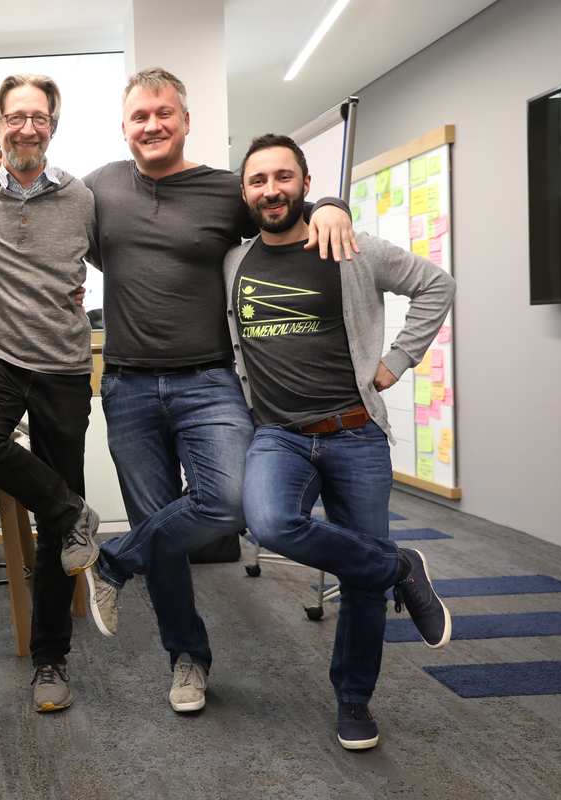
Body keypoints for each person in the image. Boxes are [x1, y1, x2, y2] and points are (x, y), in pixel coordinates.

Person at [79, 68, 355, 714]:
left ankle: (114, 561)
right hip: (125, 385)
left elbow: (282, 207)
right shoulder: (100, 188)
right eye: (140, 116)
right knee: (162, 530)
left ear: (185, 118)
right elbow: (48, 224)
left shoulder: (224, 190)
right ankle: (188, 658)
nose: (152, 125)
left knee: (231, 504)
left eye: (164, 113)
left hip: (209, 380)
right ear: (125, 126)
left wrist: (334, 206)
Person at [228, 133, 454, 750]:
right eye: (257, 180)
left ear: (304, 182)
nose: (271, 189)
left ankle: (354, 700)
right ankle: (399, 565)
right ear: (245, 192)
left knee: (357, 584)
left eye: (282, 177)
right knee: (270, 524)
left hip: (354, 433)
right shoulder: (234, 262)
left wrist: (396, 362)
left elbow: (437, 286)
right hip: (278, 434)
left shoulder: (348, 245)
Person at [0, 73, 98, 712]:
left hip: (64, 362)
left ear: (53, 127)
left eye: (39, 117)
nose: (27, 127)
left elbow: (135, 257)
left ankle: (50, 658)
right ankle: (71, 510)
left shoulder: (84, 199)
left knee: (54, 532)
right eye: (16, 118)